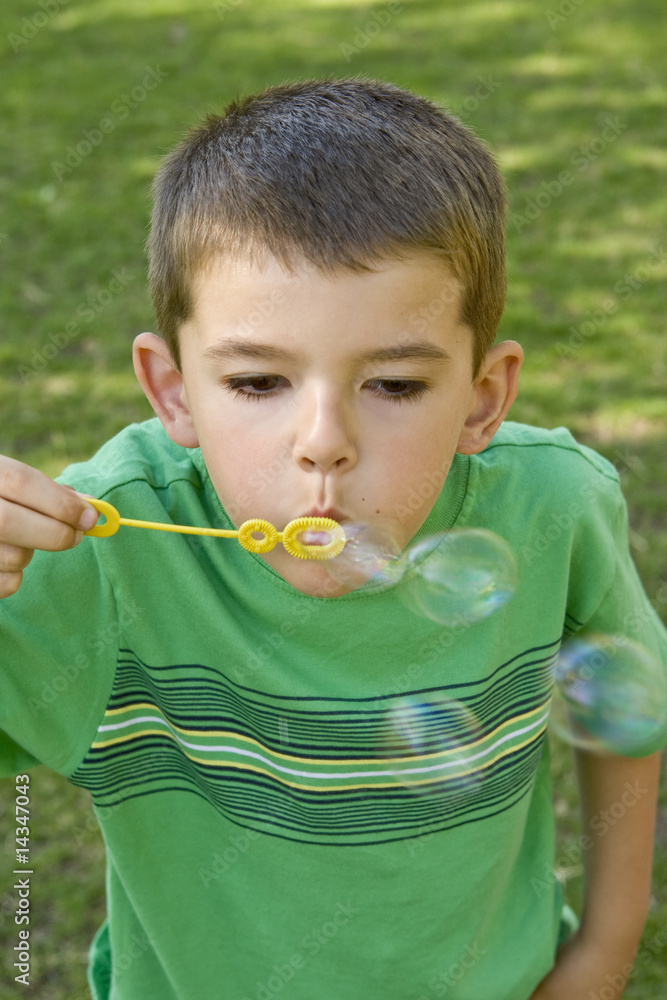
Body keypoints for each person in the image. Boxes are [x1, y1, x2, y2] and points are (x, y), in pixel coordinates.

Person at [0, 77, 665, 1000]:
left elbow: (625, 706)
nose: (322, 443)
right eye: (257, 383)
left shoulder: (554, 505)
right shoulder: (102, 552)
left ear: (482, 399)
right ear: (173, 393)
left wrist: (604, 948)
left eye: (393, 385)